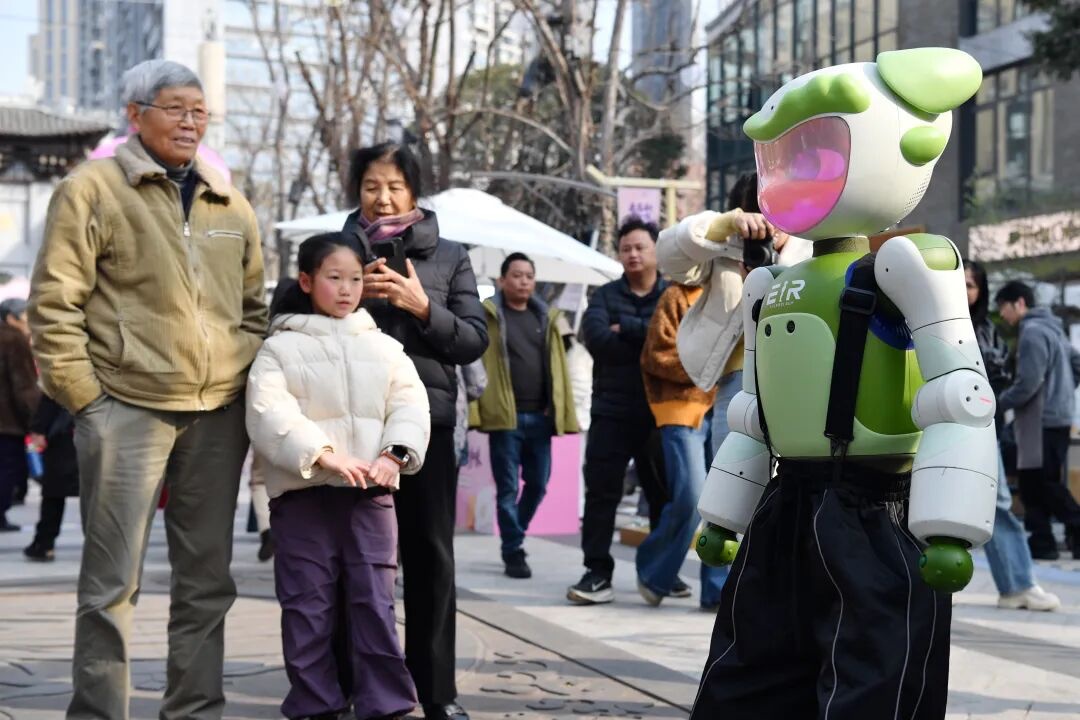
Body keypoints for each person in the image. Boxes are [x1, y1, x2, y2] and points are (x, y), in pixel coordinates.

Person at [28, 59, 267, 720]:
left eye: (199, 109)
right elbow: (54, 306)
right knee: (110, 586)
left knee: (207, 583)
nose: (191, 121)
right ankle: (100, 713)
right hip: (124, 411)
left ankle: (194, 711)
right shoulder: (90, 189)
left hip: (217, 415)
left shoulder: (230, 201)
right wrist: (88, 402)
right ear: (135, 115)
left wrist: (239, 372)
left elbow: (253, 309)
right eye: (175, 107)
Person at [246, 232, 430, 720]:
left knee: (375, 599)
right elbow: (268, 411)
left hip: (369, 495)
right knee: (308, 605)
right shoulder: (278, 349)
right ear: (306, 281)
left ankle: (387, 704)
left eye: (354, 279)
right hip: (303, 497)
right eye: (334, 278)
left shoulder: (385, 347)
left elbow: (410, 402)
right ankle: (314, 703)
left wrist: (394, 454)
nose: (346, 289)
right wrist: (322, 454)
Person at [341, 142, 487, 720]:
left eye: (394, 186)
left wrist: (423, 306)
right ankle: (352, 683)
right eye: (372, 185)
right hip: (350, 420)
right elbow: (296, 316)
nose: (382, 198)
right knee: (356, 561)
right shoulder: (338, 251)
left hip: (426, 423)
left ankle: (436, 692)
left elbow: (475, 337)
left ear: (414, 191)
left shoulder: (450, 256)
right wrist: (356, 302)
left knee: (430, 557)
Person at [656, 172, 811, 456]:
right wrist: (726, 224)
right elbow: (668, 255)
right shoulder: (725, 250)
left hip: (797, 378)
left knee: (791, 483)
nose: (769, 230)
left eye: (778, 215)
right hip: (738, 382)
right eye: (759, 219)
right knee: (731, 484)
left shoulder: (810, 250)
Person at [567, 217, 668, 605]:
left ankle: (659, 571)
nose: (632, 254)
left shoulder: (670, 295)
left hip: (659, 413)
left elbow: (670, 343)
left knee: (662, 495)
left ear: (656, 250)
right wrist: (643, 335)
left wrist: (623, 328)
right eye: (626, 248)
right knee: (601, 493)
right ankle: (596, 571)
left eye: (640, 247)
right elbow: (596, 339)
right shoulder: (604, 294)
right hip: (610, 411)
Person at [473, 252, 579, 579]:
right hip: (506, 417)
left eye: (528, 276)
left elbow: (565, 357)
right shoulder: (488, 315)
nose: (523, 281)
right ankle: (513, 550)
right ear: (502, 280)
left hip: (541, 416)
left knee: (538, 484)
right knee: (507, 489)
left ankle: (514, 534)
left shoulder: (547, 317)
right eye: (516, 275)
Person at [965, 262, 1060, 610]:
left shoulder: (989, 330)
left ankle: (1017, 585)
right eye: (958, 283)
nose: (964, 290)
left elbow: (1005, 378)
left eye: (971, 285)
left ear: (981, 291)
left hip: (981, 425)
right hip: (933, 425)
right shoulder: (927, 323)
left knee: (998, 504)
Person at [636, 281, 728, 610]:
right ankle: (652, 571)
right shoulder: (678, 293)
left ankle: (717, 588)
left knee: (725, 502)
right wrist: (710, 365)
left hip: (728, 405)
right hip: (681, 408)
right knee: (690, 497)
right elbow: (656, 354)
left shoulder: (739, 289)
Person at [994, 280, 1080, 560]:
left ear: (1019, 303)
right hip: (1056, 417)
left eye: (1004, 308)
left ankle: (1072, 528)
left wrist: (997, 403)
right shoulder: (1055, 329)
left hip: (1039, 421)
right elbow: (1077, 365)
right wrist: (1063, 393)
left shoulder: (1031, 332)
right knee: (1035, 483)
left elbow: (1028, 383)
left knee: (1042, 483)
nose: (1003, 315)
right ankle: (1042, 543)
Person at [23, 395, 80, 561]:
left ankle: (44, 544)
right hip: (91, 430)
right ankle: (102, 548)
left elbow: (51, 392)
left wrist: (38, 428)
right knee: (97, 496)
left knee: (54, 493)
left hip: (63, 435)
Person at [0, 298, 38, 531]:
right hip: (6, 421)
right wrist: (36, 420)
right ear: (11, 318)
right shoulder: (13, 339)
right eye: (25, 318)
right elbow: (24, 385)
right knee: (6, 468)